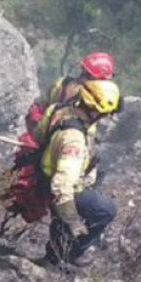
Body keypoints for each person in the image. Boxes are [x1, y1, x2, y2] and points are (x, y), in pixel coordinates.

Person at [33, 78, 122, 268]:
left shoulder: (58, 110)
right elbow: (61, 186)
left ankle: (54, 252)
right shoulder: (73, 139)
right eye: (105, 113)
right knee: (105, 210)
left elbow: (38, 135)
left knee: (65, 215)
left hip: (43, 174)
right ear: (95, 110)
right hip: (57, 185)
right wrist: (73, 221)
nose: (106, 117)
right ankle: (67, 253)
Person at [25, 51, 115, 134]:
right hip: (44, 135)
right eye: (84, 71)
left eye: (88, 74)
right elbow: (39, 106)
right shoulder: (61, 84)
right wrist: (36, 121)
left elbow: (96, 134)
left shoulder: (101, 104)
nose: (83, 75)